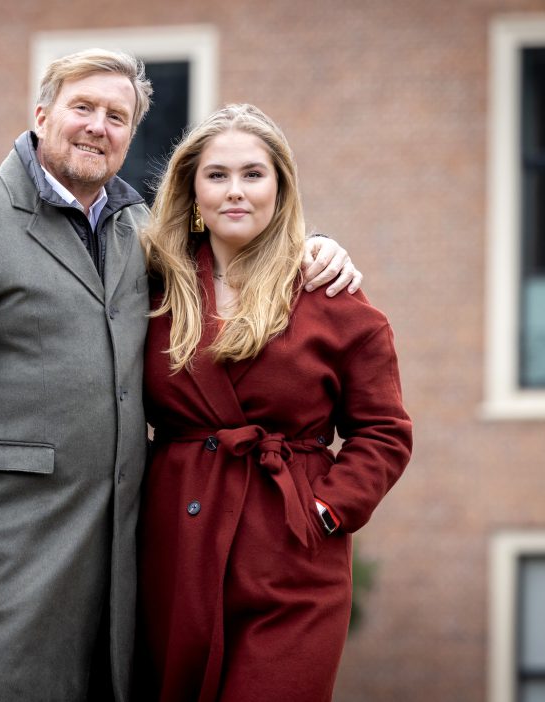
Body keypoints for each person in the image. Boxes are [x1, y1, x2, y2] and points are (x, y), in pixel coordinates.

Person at [0, 50, 361, 702]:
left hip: (122, 558)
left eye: (117, 116)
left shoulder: (142, 235)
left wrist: (317, 247)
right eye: (82, 107)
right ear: (41, 114)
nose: (98, 126)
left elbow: (239, 243)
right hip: (7, 550)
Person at [138, 103, 413, 702]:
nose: (235, 191)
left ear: (280, 188)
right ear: (192, 191)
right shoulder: (150, 287)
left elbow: (385, 432)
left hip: (293, 558)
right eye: (217, 175)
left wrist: (325, 511)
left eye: (253, 174)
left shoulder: (332, 297)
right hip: (174, 553)